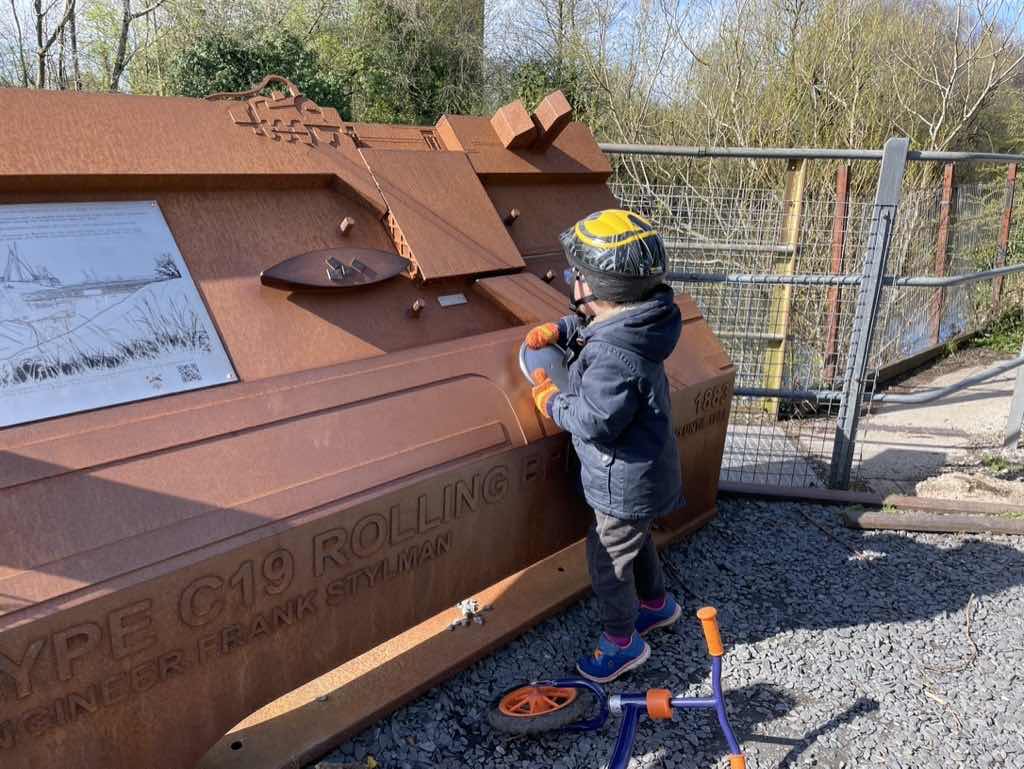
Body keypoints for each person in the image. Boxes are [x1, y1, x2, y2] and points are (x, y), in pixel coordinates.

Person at [526, 209, 684, 683]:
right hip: (647, 474)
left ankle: (623, 641)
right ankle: (655, 605)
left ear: (597, 288)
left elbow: (595, 421)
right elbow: (602, 328)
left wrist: (551, 402)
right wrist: (562, 329)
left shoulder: (614, 356)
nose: (572, 282)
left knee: (608, 559)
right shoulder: (640, 323)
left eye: (576, 276)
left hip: (620, 485)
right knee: (635, 541)